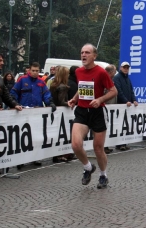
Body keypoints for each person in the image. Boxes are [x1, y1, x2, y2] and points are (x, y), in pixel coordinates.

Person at [67, 43, 117, 189]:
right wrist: (75, 99)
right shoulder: (78, 72)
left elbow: (113, 91)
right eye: (82, 52)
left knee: (98, 149)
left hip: (97, 113)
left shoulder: (101, 73)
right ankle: (88, 167)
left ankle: (103, 175)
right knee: (76, 144)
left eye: (87, 53)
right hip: (82, 111)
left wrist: (100, 100)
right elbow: (82, 88)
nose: (83, 55)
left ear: (94, 56)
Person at [11, 62, 56, 168]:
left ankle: (35, 158)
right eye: (33, 70)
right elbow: (14, 93)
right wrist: (15, 103)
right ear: (29, 70)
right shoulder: (22, 80)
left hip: (37, 112)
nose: (35, 73)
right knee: (23, 136)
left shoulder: (41, 82)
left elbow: (46, 94)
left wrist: (50, 103)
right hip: (24, 112)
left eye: (37, 71)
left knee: (36, 136)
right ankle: (20, 159)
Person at [113, 61, 138, 151]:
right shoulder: (117, 78)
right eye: (124, 67)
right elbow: (119, 91)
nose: (126, 69)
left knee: (125, 125)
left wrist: (134, 100)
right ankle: (119, 144)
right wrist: (126, 101)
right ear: (120, 68)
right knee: (120, 125)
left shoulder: (128, 78)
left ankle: (123, 143)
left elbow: (131, 91)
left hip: (127, 105)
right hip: (120, 105)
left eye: (127, 68)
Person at [50, 66, 71, 163]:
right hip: (61, 112)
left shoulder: (53, 84)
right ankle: (59, 155)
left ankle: (56, 155)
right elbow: (61, 101)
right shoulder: (63, 87)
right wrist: (70, 103)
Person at [103, 64, 118, 154]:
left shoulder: (110, 80)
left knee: (108, 127)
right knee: (104, 127)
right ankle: (103, 147)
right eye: (114, 71)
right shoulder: (105, 80)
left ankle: (106, 146)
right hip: (106, 106)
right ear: (111, 72)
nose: (115, 73)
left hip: (111, 106)